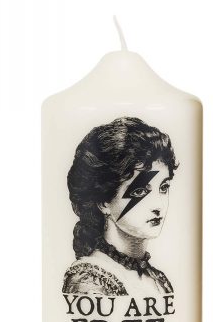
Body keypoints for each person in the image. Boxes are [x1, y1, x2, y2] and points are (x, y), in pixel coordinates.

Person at [62, 116, 178, 297]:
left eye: (163, 188)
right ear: (103, 202)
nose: (158, 205)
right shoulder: (89, 281)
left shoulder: (157, 279)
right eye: (140, 191)